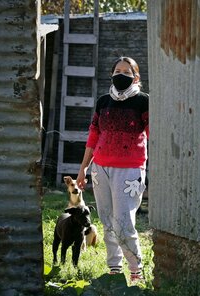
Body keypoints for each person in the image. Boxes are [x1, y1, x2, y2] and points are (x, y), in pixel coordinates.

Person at [76, 56, 148, 283]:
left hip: (129, 170)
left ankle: (136, 271)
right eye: (118, 70)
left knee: (124, 223)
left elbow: (153, 134)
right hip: (100, 169)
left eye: (127, 72)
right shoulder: (103, 102)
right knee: (107, 221)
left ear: (136, 77)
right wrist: (83, 168)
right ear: (111, 73)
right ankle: (114, 270)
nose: (121, 75)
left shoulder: (144, 101)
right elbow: (93, 135)